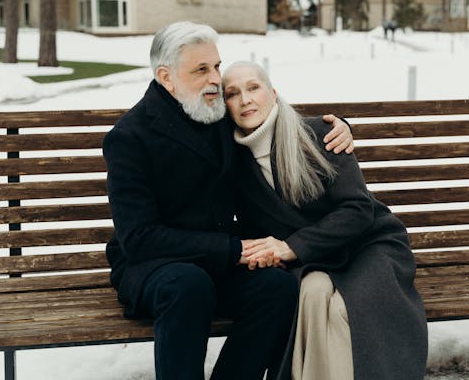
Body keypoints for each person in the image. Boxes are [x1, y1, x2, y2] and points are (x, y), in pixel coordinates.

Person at [102, 21, 354, 380]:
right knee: (188, 285)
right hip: (153, 265)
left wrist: (337, 126)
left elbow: (271, 116)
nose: (215, 79)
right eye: (201, 69)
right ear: (166, 77)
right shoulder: (130, 138)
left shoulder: (214, 112)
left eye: (217, 66)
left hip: (215, 262)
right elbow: (140, 238)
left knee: (278, 288)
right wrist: (232, 250)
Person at [223, 61, 429, 380]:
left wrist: (291, 247)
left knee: (345, 310)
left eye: (253, 88)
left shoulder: (320, 133)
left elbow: (358, 209)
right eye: (232, 93)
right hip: (313, 261)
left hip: (366, 245)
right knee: (313, 295)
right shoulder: (233, 162)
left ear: (273, 93)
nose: (245, 99)